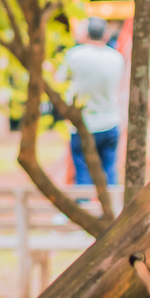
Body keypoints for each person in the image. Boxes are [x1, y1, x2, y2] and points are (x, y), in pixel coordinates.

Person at [62, 17, 124, 186]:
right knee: (110, 172)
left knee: (82, 173)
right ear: (105, 35)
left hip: (83, 124)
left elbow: (59, 80)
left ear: (86, 34)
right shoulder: (117, 58)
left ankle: (83, 207)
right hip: (110, 122)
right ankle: (113, 211)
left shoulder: (74, 55)